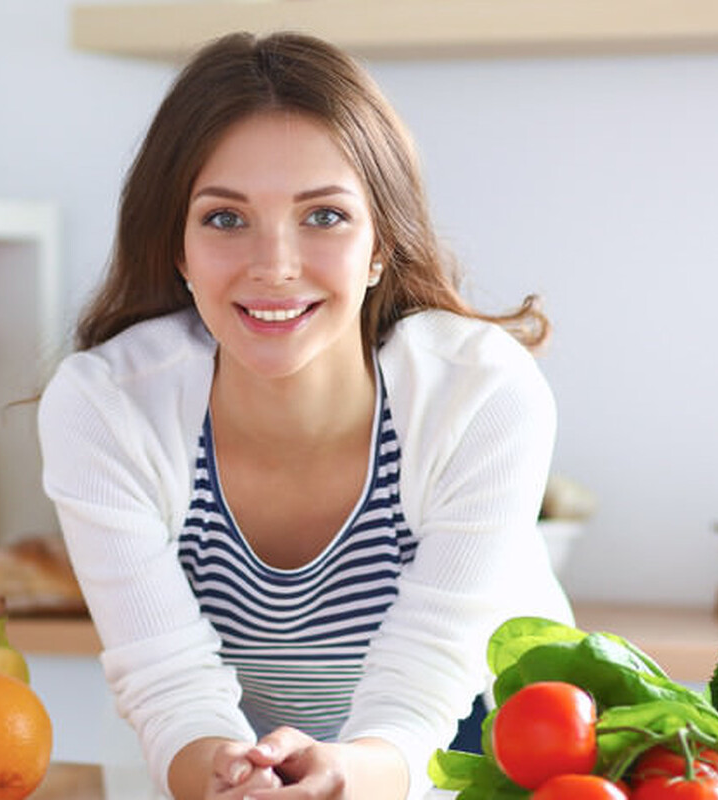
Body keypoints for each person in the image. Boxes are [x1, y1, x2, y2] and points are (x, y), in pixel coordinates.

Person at [37, 31, 573, 800]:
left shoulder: (481, 392)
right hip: (235, 755)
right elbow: (167, 685)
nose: (275, 266)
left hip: (488, 745)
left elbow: (426, 685)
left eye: (324, 216)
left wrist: (344, 777)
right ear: (179, 249)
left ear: (381, 243)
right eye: (225, 219)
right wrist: (230, 776)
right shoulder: (105, 407)